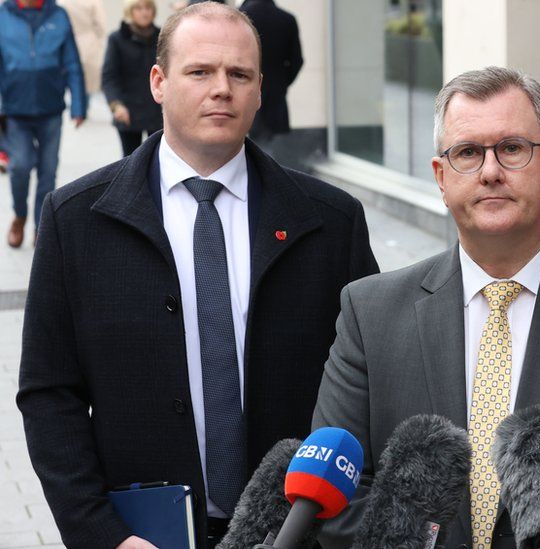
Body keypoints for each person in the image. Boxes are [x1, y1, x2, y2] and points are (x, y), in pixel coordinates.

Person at [17, 3, 378, 548]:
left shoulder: (331, 221)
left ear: (260, 89)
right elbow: (49, 394)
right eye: (201, 71)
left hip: (299, 530)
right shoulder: (76, 220)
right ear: (158, 82)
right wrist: (100, 533)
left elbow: (370, 387)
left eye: (240, 74)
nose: (222, 89)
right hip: (144, 533)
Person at [313, 66, 540, 549]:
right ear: (441, 177)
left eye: (512, 148)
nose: (490, 171)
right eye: (468, 152)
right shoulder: (370, 313)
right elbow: (337, 497)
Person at [0, 0, 87, 248]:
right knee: (19, 166)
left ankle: (41, 227)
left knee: (48, 172)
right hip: (15, 110)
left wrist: (79, 105)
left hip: (51, 109)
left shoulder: (58, 15)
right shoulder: (3, 16)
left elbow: (72, 62)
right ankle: (19, 215)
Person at [102, 0, 163, 156]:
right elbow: (109, 76)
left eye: (148, 7)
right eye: (138, 8)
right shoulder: (117, 39)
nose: (144, 12)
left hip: (157, 111)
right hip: (128, 111)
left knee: (157, 158)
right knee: (130, 161)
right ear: (130, 11)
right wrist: (116, 105)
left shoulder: (162, 37)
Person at [239, 0, 303, 145]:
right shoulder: (287, 19)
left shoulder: (238, 17)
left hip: (239, 94)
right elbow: (297, 61)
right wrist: (282, 83)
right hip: (274, 94)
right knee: (267, 152)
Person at [59, 0, 108, 95]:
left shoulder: (62, 2)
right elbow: (101, 26)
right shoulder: (93, 2)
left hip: (67, 47)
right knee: (87, 90)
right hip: (90, 48)